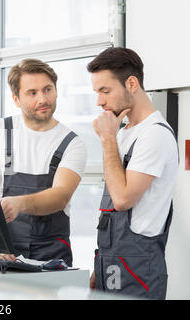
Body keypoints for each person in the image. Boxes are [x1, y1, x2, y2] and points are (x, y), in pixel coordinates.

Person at [0, 58, 87, 267]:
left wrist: (18, 203)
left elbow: (61, 196)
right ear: (16, 99)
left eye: (48, 89)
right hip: (3, 252)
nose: (43, 99)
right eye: (32, 93)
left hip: (52, 255)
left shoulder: (72, 143)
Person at [87, 47, 178, 299]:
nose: (99, 101)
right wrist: (100, 265)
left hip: (138, 269)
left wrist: (107, 139)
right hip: (111, 262)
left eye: (105, 91)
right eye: (97, 92)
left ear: (131, 83)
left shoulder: (155, 134)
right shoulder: (124, 132)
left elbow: (123, 199)